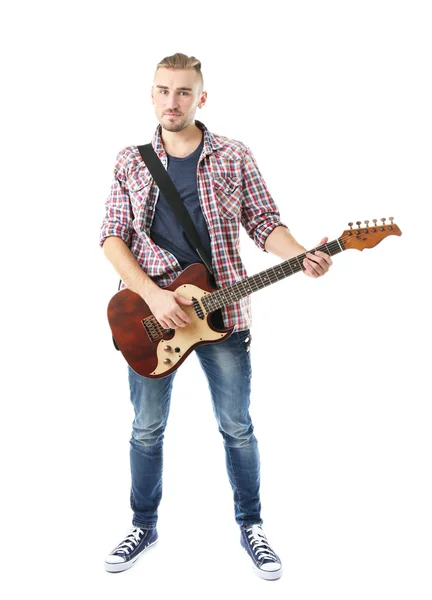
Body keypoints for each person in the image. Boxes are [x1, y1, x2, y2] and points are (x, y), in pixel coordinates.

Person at [99, 52, 332, 580]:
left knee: (237, 428)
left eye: (183, 92)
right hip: (149, 318)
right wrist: (154, 296)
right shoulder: (129, 161)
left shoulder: (233, 154)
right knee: (146, 428)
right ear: (151, 94)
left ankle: (252, 527)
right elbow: (111, 238)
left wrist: (300, 255)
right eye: (162, 90)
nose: (171, 101)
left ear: (201, 98)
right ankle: (143, 525)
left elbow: (264, 221)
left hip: (223, 315)